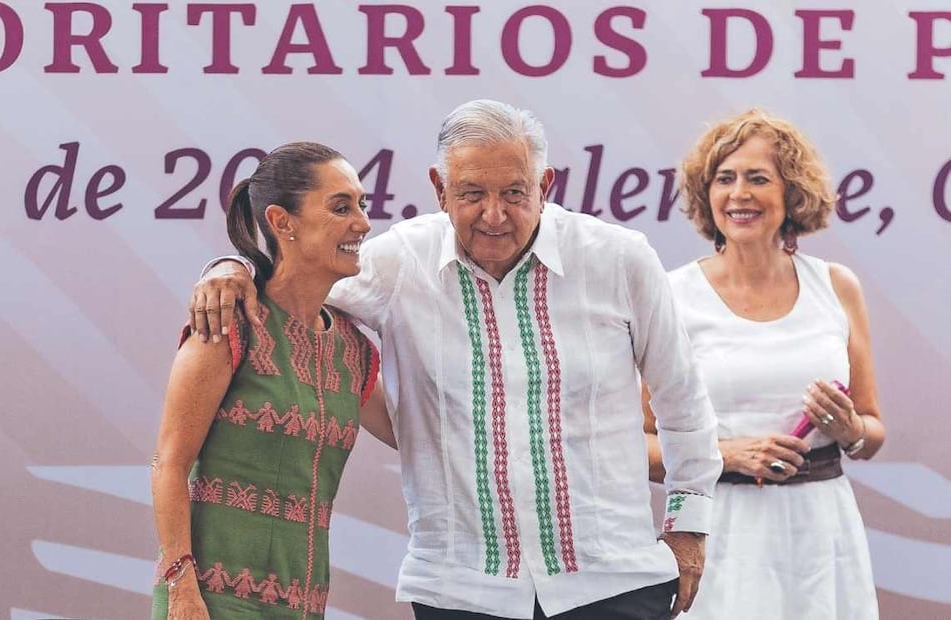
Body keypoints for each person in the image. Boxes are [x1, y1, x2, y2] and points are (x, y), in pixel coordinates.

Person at [194, 100, 722, 619]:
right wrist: (231, 268)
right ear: (439, 190)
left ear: (545, 186)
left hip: (613, 584)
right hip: (460, 592)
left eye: (515, 193)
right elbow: (294, 287)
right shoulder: (402, 262)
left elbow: (683, 404)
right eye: (471, 194)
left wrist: (689, 529)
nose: (494, 215)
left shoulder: (618, 258)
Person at [642, 109, 885, 619]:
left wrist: (849, 429)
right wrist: (724, 454)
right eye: (724, 179)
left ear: (792, 193)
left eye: (758, 178)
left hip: (822, 534)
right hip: (718, 534)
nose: (739, 194)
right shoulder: (671, 293)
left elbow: (871, 430)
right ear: (706, 194)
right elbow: (631, 443)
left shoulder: (837, 286)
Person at [150, 142, 395, 619]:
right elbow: (169, 463)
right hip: (211, 602)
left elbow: (415, 432)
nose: (363, 223)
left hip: (303, 606)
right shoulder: (228, 325)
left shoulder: (353, 350)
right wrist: (180, 588)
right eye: (341, 207)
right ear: (283, 222)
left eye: (362, 206)